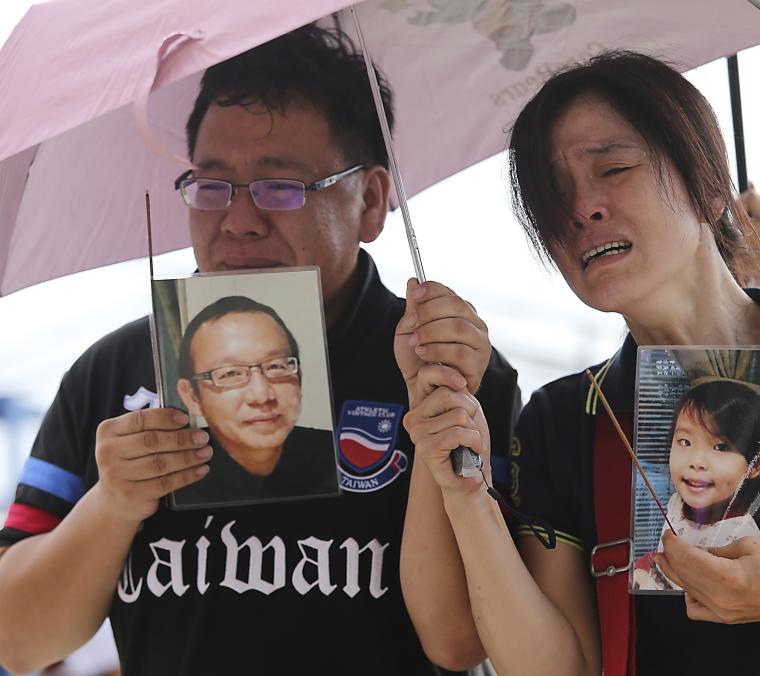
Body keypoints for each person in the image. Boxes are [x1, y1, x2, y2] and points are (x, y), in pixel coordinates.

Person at [400, 50, 760, 676]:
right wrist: (466, 490)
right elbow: (557, 668)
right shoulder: (563, 420)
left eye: (612, 168)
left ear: (709, 182)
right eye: (554, 197)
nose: (582, 209)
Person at [0, 26, 518, 675]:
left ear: (373, 200)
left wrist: (438, 416)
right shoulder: (115, 372)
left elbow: (464, 643)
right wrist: (113, 504)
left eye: (281, 188)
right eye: (211, 187)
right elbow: (17, 643)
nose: (239, 220)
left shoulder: (449, 369)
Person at [171, 295, 339, 507]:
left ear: (299, 377)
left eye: (276, 366)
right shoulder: (174, 477)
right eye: (230, 373)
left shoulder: (336, 454)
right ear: (192, 397)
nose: (261, 396)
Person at [633, 379, 760, 592]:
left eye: (720, 447)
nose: (697, 461)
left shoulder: (744, 542)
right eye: (685, 442)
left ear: (756, 463)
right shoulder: (676, 502)